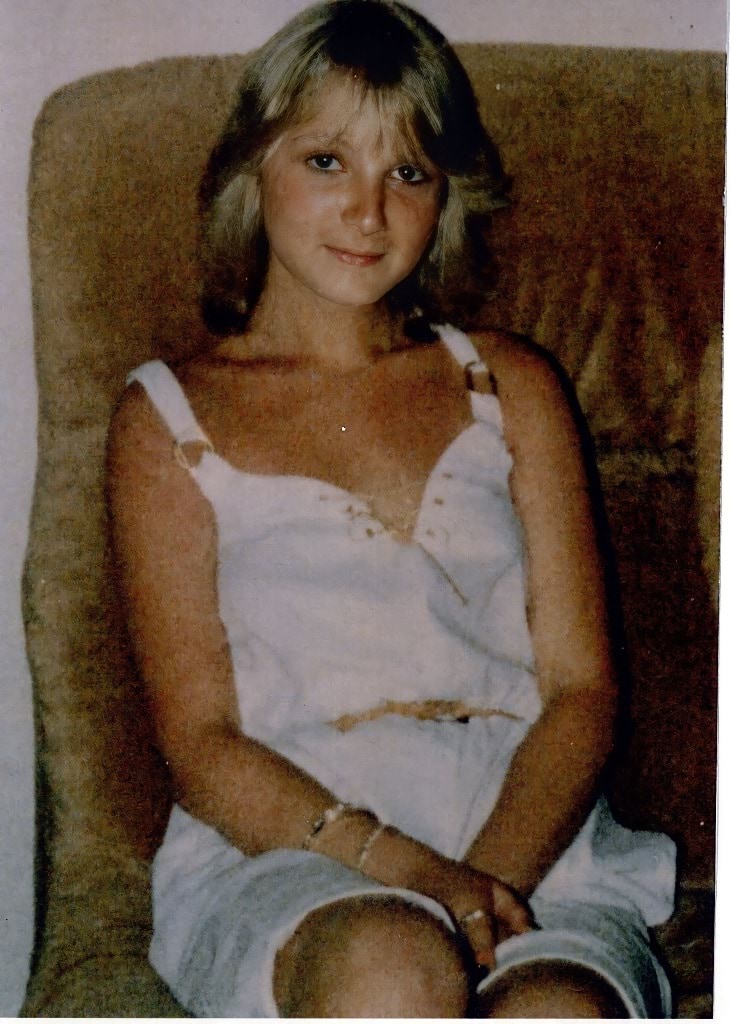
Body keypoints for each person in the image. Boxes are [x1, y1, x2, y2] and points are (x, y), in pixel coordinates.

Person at [107, 0, 676, 1016]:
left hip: (526, 826)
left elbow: (583, 688)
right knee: (388, 970)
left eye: (405, 172)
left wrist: (480, 885)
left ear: (443, 194)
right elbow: (199, 742)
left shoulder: (509, 385)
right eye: (327, 161)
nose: (369, 212)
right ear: (253, 169)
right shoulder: (165, 417)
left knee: (557, 1012)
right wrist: (414, 878)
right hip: (295, 843)